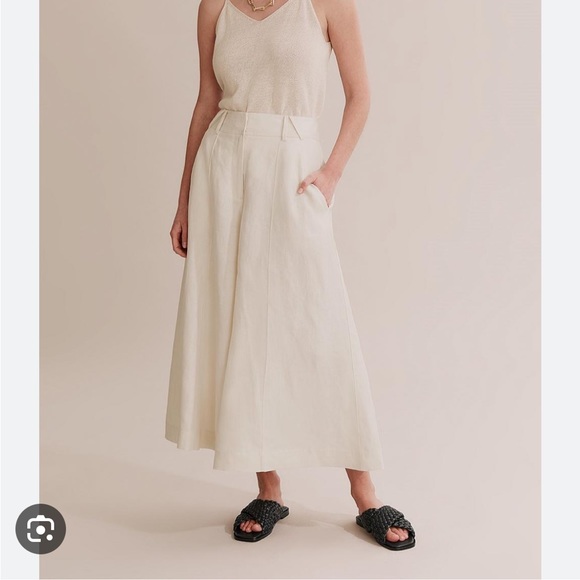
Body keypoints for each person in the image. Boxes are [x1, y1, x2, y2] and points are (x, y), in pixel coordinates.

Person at [165, 0, 416, 550]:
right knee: (240, 320)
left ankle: (365, 494)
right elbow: (207, 99)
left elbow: (361, 95)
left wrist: (332, 173)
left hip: (293, 170)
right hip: (222, 168)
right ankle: (269, 488)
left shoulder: (326, 4)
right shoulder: (214, 6)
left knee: (320, 325)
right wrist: (184, 199)